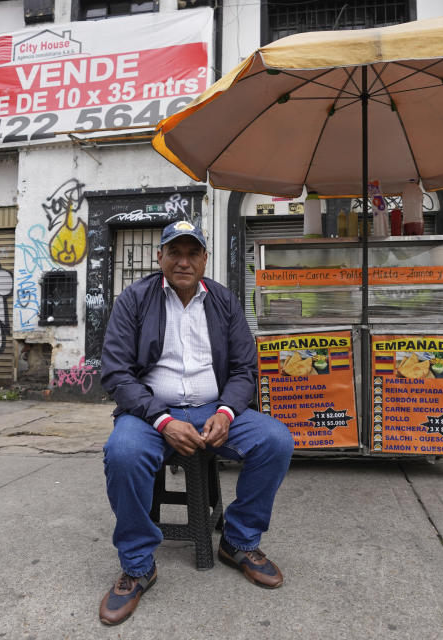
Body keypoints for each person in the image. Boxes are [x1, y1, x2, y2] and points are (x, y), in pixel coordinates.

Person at [98, 220, 295, 626]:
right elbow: (116, 373)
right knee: (123, 453)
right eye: (175, 252)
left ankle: (238, 542)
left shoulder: (223, 301)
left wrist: (226, 412)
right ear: (161, 258)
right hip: (150, 412)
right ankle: (138, 566)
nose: (183, 261)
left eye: (192, 253)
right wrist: (162, 419)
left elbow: (244, 369)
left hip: (213, 409)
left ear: (205, 259)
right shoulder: (134, 300)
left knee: (275, 440)